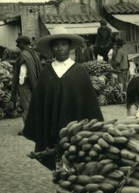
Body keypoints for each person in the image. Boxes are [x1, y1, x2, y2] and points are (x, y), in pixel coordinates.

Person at [23, 26, 104, 170]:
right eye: (56, 45)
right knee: (58, 169)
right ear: (51, 48)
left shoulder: (80, 71)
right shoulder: (46, 73)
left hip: (76, 132)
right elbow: (38, 105)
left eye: (63, 44)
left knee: (75, 167)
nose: (60, 48)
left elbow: (89, 104)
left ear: (70, 46)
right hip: (51, 132)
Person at [11, 35, 42, 134]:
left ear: (23, 44)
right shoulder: (33, 53)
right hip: (35, 84)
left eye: (18, 44)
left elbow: (22, 73)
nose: (17, 46)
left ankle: (28, 129)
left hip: (26, 85)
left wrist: (19, 86)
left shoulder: (24, 55)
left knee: (27, 108)